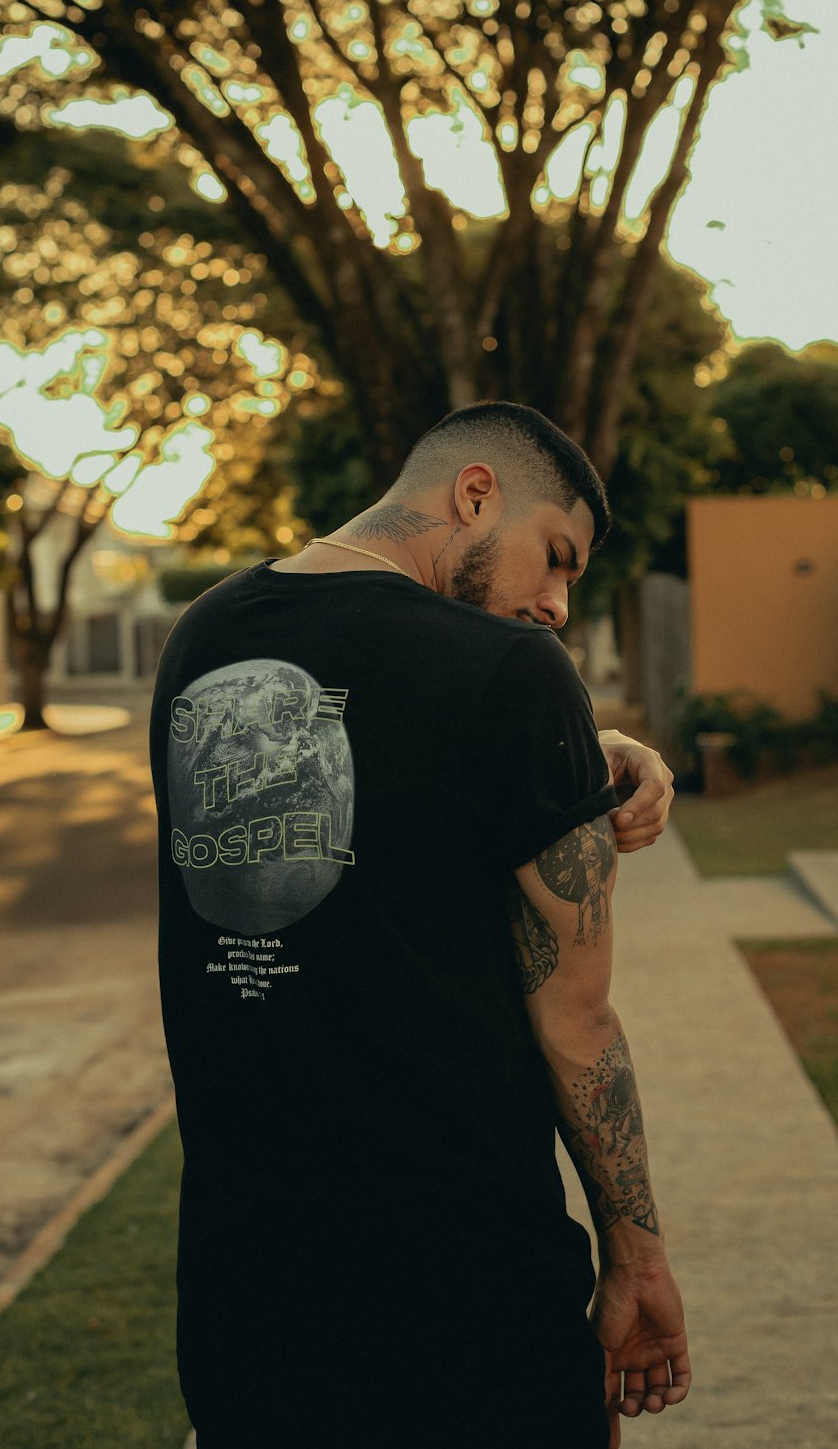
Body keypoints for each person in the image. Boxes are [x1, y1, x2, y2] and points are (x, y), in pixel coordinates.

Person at [150, 401, 688, 1448]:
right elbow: (577, 1029)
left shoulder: (205, 638)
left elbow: (362, 760)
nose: (556, 604)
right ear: (475, 492)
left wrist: (583, 748)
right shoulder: (516, 681)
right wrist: (639, 1262)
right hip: (469, 1298)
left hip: (248, 1302)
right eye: (556, 557)